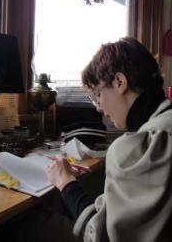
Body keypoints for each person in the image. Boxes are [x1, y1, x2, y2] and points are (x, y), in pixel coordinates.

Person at [43, 37, 172, 242]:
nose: (98, 107)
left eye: (97, 95)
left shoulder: (141, 147)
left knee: (32, 225)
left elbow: (101, 236)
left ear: (120, 82)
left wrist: (65, 183)